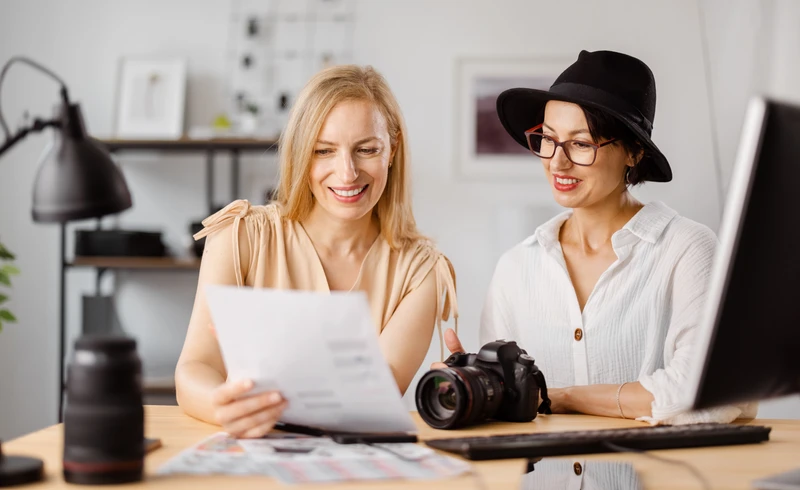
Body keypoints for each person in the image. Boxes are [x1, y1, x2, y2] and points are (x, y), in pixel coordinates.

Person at [437, 50, 755, 424]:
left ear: (634, 152)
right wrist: (469, 385)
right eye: (548, 138)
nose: (557, 161)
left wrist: (564, 397)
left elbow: (709, 394)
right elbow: (508, 403)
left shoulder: (687, 250)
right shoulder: (516, 267)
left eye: (581, 144)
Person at [176, 65, 458, 438]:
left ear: (392, 149)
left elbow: (374, 396)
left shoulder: (422, 272)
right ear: (300, 154)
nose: (347, 173)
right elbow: (195, 367)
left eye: (367, 149)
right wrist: (224, 406)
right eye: (323, 151)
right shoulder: (239, 236)